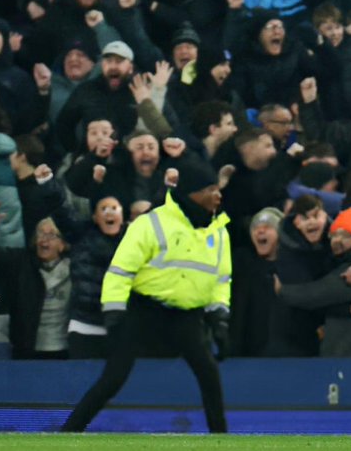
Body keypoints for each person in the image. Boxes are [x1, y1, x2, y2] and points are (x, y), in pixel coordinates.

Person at [61, 160, 231, 433]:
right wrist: (114, 313)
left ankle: (221, 437)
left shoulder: (219, 231)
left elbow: (221, 278)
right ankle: (69, 430)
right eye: (211, 188)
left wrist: (219, 316)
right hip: (145, 310)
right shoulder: (152, 223)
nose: (218, 195)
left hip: (187, 315)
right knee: (114, 377)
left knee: (208, 373)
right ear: (191, 192)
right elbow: (120, 270)